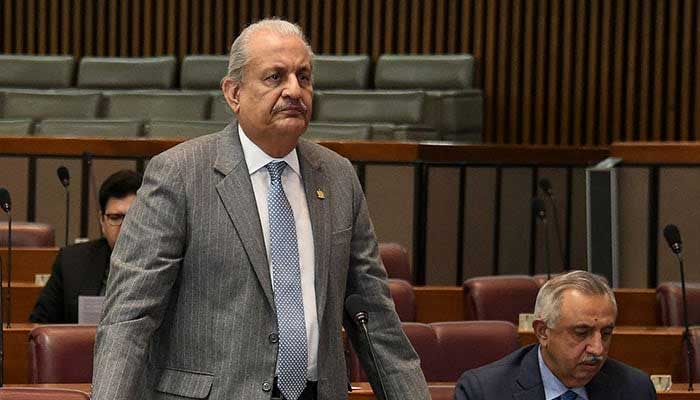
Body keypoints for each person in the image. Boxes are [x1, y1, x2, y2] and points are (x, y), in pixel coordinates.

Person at [92, 18, 429, 400]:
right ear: (233, 93)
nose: (294, 90)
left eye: (304, 77)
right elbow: (130, 316)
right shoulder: (180, 174)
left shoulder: (337, 177)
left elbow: (375, 317)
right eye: (275, 77)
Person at [454, 270, 656, 400]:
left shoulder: (634, 389)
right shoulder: (484, 392)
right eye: (581, 332)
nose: (597, 348)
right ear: (542, 332)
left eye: (606, 333)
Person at [29, 169, 142, 323]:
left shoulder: (166, 263)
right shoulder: (72, 262)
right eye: (115, 218)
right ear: (102, 221)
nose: (124, 227)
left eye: (133, 218)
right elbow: (39, 326)